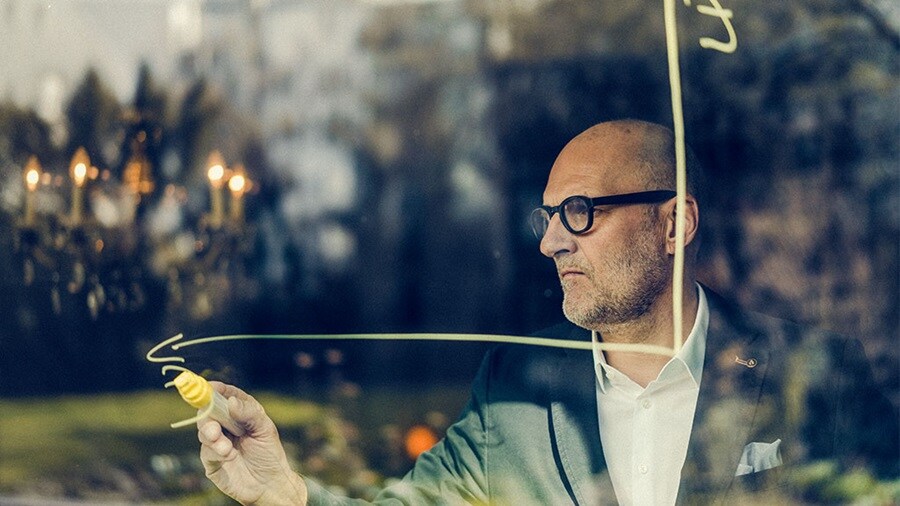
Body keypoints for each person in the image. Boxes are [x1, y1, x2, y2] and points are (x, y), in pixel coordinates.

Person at [197, 120, 898, 505]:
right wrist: (284, 495)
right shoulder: (516, 389)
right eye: (548, 216)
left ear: (673, 224)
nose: (551, 240)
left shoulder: (814, 374)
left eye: (580, 212)